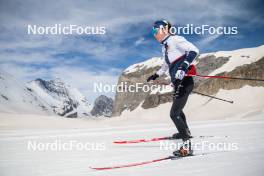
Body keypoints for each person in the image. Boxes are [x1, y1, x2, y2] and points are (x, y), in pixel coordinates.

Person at [147, 20, 199, 157]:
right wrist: (155, 75)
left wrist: (184, 66)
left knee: (174, 113)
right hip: (178, 83)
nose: (153, 34)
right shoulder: (164, 47)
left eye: (155, 30)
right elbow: (165, 66)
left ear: (164, 29)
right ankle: (185, 132)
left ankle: (187, 146)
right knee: (178, 111)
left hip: (185, 81)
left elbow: (194, 50)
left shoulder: (176, 39)